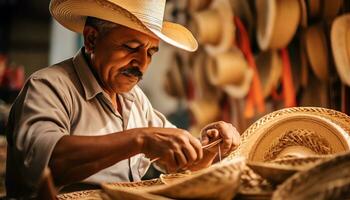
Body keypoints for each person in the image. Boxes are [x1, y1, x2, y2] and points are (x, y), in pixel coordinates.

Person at [5, 0, 241, 198]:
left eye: (150, 52)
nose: (143, 63)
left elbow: (178, 162)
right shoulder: (49, 86)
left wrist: (209, 148)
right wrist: (139, 140)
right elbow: (39, 163)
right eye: (130, 47)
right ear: (92, 39)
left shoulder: (134, 99)